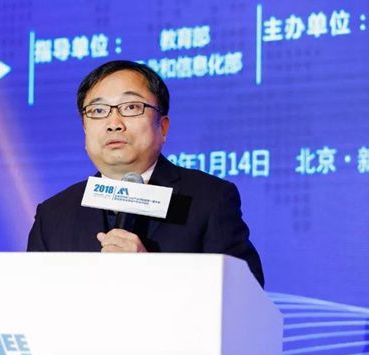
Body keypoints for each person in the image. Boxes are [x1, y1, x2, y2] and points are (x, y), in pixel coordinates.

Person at [27, 60, 264, 286]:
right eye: (98, 110)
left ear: (163, 127)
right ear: (85, 130)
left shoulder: (208, 198)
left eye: (131, 107)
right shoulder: (54, 215)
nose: (114, 123)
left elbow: (244, 292)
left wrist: (151, 274)